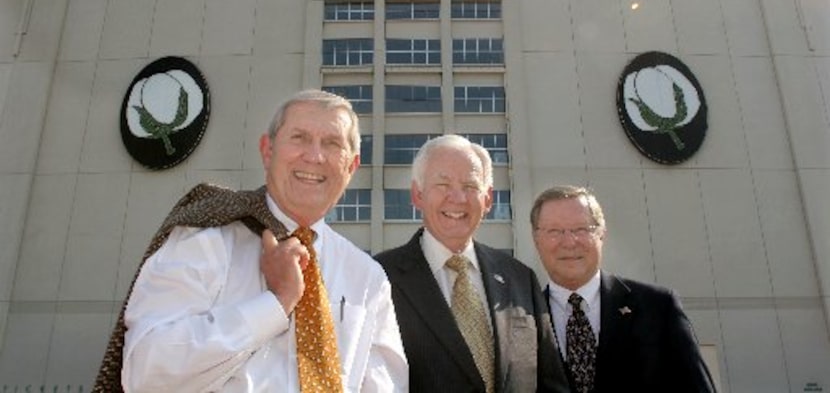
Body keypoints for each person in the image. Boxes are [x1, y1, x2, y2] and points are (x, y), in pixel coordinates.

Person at [97, 89, 408, 392]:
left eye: (331, 143)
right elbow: (146, 374)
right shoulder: (203, 240)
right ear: (267, 150)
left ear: (351, 167)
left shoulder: (368, 278)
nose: (314, 156)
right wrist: (274, 304)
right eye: (299, 138)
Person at [375, 134, 571, 393]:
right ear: (417, 195)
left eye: (470, 186)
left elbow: (551, 384)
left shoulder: (520, 278)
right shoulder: (379, 278)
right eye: (443, 184)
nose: (457, 198)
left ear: (488, 199)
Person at [530, 185, 717, 393]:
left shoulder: (659, 307)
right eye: (554, 231)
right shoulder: (523, 320)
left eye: (581, 229)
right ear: (537, 240)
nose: (569, 242)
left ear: (602, 234)